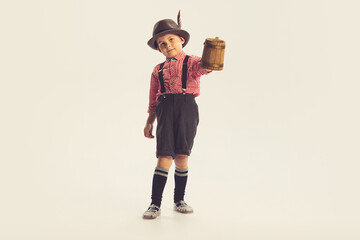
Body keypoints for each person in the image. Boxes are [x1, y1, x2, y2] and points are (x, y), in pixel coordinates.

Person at [143, 12, 212, 219]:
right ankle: (155, 204)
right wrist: (149, 121)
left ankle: (179, 199)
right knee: (164, 156)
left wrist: (212, 54)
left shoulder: (191, 62)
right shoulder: (158, 70)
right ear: (158, 49)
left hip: (187, 108)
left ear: (181, 39)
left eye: (171, 39)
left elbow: (205, 67)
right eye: (161, 44)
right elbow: (153, 98)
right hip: (164, 108)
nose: (167, 45)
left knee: (182, 156)